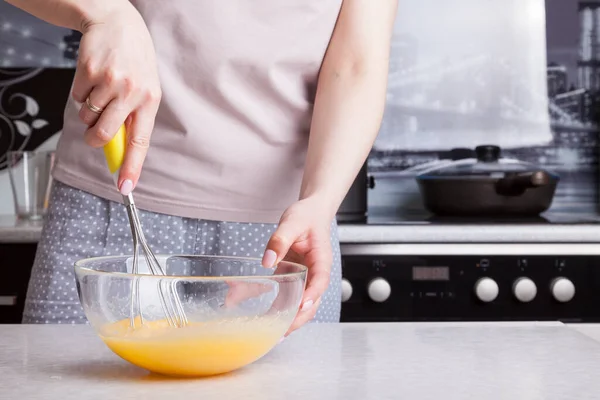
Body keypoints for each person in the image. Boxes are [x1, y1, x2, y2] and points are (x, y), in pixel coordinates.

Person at [9, 0, 397, 336]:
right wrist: (105, 12)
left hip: (282, 237)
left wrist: (321, 199)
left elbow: (356, 63)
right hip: (105, 209)